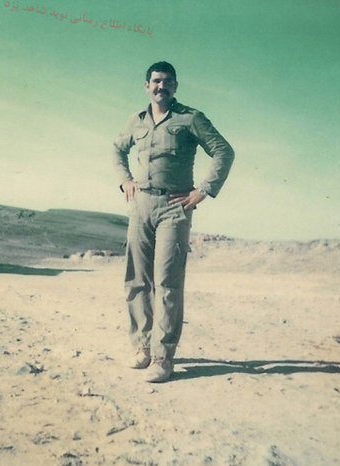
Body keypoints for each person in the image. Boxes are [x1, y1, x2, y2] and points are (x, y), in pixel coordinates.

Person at [112, 61, 234, 383]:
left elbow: (223, 151)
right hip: (140, 205)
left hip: (174, 207)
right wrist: (125, 179)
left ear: (175, 86)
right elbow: (116, 149)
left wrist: (203, 191)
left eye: (167, 81)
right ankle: (142, 347)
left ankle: (163, 358)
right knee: (137, 279)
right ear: (146, 86)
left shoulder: (190, 118)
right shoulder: (136, 121)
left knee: (167, 282)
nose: (161, 86)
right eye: (155, 81)